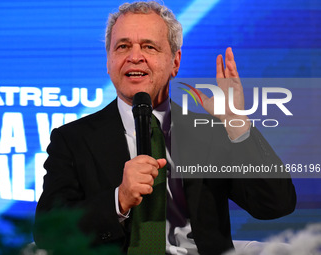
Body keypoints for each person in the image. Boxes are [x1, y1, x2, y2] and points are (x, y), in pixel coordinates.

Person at [34, 1, 296, 255]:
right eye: (122, 46)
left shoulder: (209, 131)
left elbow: (275, 205)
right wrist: (120, 199)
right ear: (109, 61)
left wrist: (236, 122)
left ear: (175, 62)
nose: (134, 57)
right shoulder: (72, 139)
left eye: (149, 47)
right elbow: (48, 232)